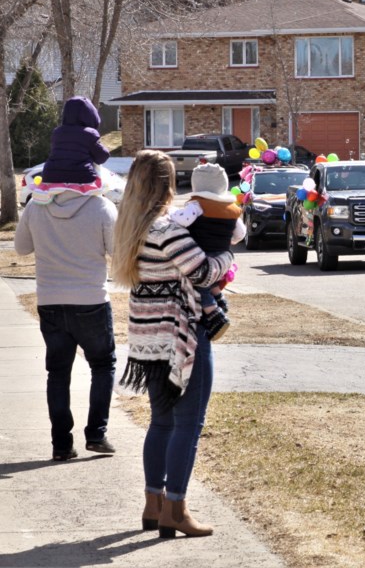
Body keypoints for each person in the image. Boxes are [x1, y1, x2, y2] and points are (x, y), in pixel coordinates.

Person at [112, 150, 234, 538]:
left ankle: (153, 505)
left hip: (147, 340)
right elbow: (202, 271)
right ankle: (177, 510)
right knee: (189, 424)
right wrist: (229, 254)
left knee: (162, 422)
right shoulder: (166, 231)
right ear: (169, 185)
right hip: (181, 338)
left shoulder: (130, 228)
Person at [14, 98, 118, 462]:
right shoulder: (102, 207)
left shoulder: (35, 207)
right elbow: (117, 253)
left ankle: (62, 444)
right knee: (102, 365)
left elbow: (22, 249)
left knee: (57, 374)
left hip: (50, 299)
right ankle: (97, 434)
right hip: (90, 297)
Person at [170, 163, 246, 341]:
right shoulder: (232, 209)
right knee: (210, 280)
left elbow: (184, 220)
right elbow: (240, 234)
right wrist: (228, 240)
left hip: (202, 252)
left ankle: (214, 312)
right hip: (222, 254)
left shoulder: (198, 205)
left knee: (198, 281)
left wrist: (171, 213)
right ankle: (219, 297)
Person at [35, 95, 111, 197]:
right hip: (81, 177)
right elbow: (102, 157)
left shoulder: (57, 132)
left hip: (51, 176)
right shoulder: (89, 134)